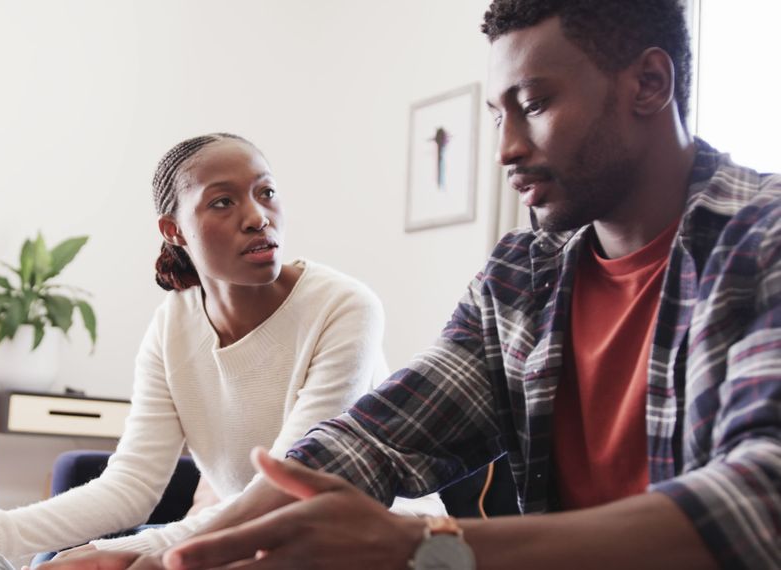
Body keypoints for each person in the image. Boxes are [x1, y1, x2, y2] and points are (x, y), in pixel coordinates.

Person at [43, 1, 781, 569]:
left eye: (536, 104)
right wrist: (174, 556)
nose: (506, 149)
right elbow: (372, 440)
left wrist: (423, 546)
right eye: (497, 114)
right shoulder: (521, 279)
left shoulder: (763, 241)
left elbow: (760, 503)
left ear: (650, 83)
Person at [0, 133, 444, 569]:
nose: (257, 216)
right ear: (174, 230)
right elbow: (131, 485)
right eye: (223, 202)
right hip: (248, 544)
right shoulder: (172, 327)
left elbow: (289, 485)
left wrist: (139, 551)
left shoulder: (344, 306)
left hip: (367, 546)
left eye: (267, 192)